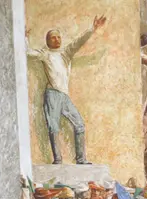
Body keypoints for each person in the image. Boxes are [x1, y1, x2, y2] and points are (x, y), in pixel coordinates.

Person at [26, 15, 107, 165]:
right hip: (52, 95)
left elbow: (78, 42)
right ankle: (57, 159)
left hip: (64, 96)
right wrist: (24, 38)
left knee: (80, 125)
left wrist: (93, 28)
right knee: (53, 127)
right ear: (47, 41)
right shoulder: (45, 54)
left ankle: (81, 159)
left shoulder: (66, 54)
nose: (56, 40)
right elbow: (27, 52)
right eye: (53, 38)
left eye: (58, 37)